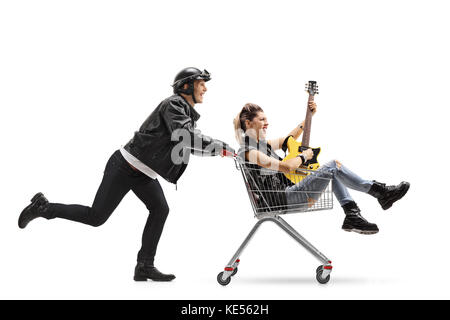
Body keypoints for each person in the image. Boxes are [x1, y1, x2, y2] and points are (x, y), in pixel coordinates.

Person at [19, 67, 233, 281]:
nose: (205, 88)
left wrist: (219, 150)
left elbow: (188, 143)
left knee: (160, 209)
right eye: (201, 83)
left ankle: (144, 266)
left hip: (143, 174)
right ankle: (44, 208)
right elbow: (187, 137)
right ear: (186, 86)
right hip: (124, 166)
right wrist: (220, 145)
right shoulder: (174, 104)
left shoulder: (183, 112)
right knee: (96, 217)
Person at [233, 102, 409, 234]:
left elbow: (289, 139)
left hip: (286, 196)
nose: (267, 123)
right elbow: (287, 167)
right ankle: (380, 192)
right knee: (332, 167)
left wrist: (308, 118)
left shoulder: (262, 145)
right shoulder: (249, 152)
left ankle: (352, 214)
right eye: (262, 119)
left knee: (330, 173)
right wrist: (304, 156)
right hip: (284, 198)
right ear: (248, 124)